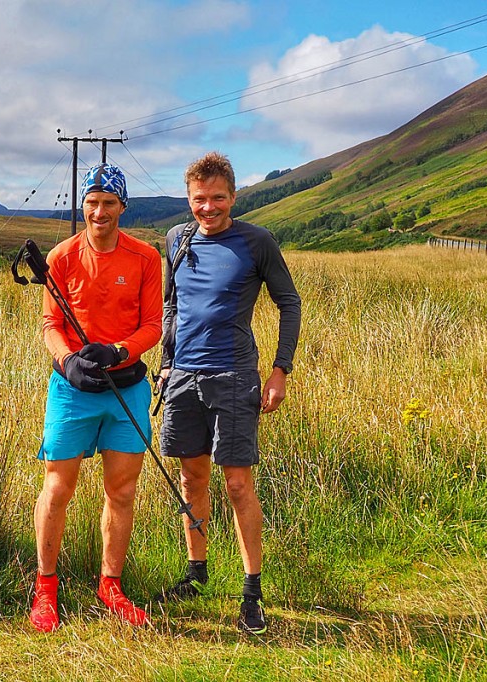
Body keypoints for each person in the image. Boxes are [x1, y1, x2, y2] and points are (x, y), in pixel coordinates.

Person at [156, 151, 301, 635]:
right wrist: (166, 364)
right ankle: (196, 574)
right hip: (182, 379)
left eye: (218, 198)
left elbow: (289, 303)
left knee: (237, 484)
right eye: (199, 199)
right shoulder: (176, 239)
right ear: (189, 199)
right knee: (191, 479)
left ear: (233, 197)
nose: (208, 208)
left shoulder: (257, 241)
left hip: (235, 377)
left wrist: (280, 371)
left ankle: (252, 593)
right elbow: (171, 305)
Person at [29, 163, 164, 632]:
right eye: (92, 202)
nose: (99, 212)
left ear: (122, 206)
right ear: (82, 204)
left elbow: (153, 325)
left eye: (109, 203)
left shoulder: (145, 258)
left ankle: (111, 586)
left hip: (126, 389)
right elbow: (50, 323)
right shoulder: (61, 257)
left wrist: (119, 351)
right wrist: (68, 361)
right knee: (57, 488)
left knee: (121, 491)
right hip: (72, 391)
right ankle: (46, 588)